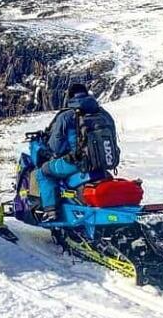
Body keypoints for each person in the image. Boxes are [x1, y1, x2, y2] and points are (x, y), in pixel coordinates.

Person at [36, 83, 117, 222]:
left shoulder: (67, 115)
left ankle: (50, 211)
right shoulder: (104, 114)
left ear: (70, 96)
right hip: (103, 164)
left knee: (43, 172)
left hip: (78, 163)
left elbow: (56, 146)